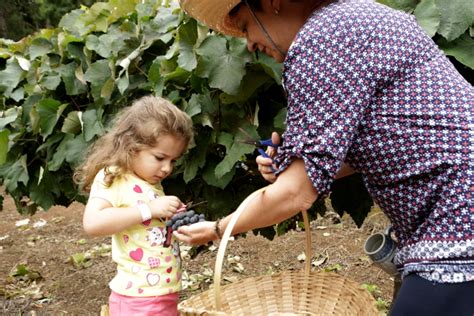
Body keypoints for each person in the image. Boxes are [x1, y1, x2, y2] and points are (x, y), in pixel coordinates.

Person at [175, 0, 474, 314]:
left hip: (456, 225)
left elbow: (295, 194)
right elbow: (395, 138)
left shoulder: (321, 40)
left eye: (247, 25)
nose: (248, 43)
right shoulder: (360, 17)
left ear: (274, 3)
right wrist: (297, 164)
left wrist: (218, 229)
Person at [74, 95, 194, 316]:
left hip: (164, 292)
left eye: (173, 160)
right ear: (131, 146)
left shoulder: (150, 181)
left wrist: (172, 218)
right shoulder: (114, 176)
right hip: (137, 299)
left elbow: (148, 229)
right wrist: (149, 209)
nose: (167, 168)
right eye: (160, 157)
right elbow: (93, 223)